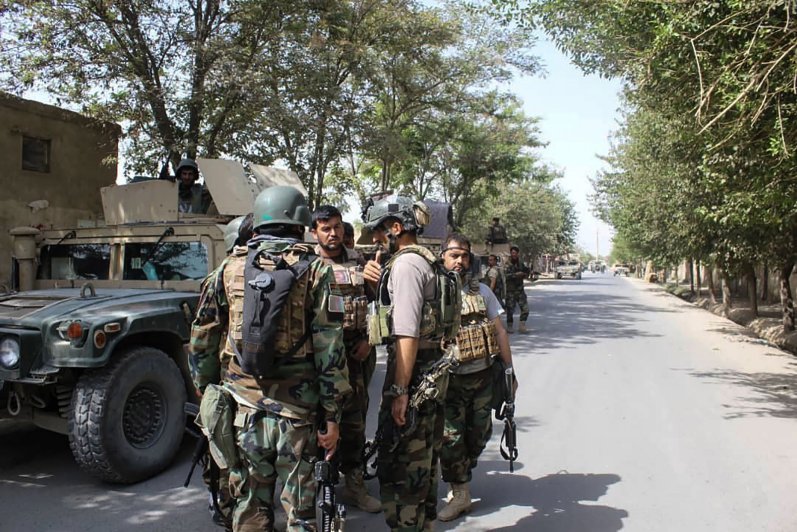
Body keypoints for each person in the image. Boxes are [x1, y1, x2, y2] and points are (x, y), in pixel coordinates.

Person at [191, 186, 351, 531]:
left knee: (248, 506)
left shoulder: (228, 269)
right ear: (300, 224)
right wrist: (333, 416)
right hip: (298, 416)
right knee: (302, 514)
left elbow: (202, 336)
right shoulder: (318, 271)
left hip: (242, 411)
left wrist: (205, 390)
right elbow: (330, 349)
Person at [362, 195, 460, 531]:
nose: (375, 239)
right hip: (430, 373)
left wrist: (400, 390)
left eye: (378, 231)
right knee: (423, 463)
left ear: (396, 227)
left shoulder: (405, 266)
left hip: (413, 376)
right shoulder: (427, 261)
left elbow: (406, 334)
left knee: (400, 466)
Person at [436, 234, 515, 522]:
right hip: (450, 381)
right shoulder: (434, 291)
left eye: (465, 256)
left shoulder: (482, 291)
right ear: (443, 256)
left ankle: (460, 477)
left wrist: (509, 372)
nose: (459, 261)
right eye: (454, 255)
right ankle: (460, 491)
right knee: (452, 437)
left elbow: (500, 332)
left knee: (479, 434)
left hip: (482, 377)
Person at [310, 205, 381, 513]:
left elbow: (380, 305)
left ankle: (354, 484)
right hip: (316, 362)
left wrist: (369, 339)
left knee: (353, 425)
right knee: (316, 427)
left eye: (337, 227)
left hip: (353, 356)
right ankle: (313, 488)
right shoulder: (305, 264)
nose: (333, 233)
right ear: (315, 232)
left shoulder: (360, 262)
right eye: (325, 228)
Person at [189, 213, 255, 528]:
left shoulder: (220, 276)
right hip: (258, 389)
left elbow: (202, 338)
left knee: (224, 449)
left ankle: (228, 510)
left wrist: (203, 385)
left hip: (228, 383)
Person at [504, 245, 530, 333]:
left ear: (518, 254)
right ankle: (509, 326)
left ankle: (522, 325)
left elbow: (526, 272)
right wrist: (516, 275)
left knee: (525, 309)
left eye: (515, 253)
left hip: (520, 290)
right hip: (510, 291)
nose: (513, 254)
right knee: (510, 310)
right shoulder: (507, 264)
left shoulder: (521, 263)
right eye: (512, 253)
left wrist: (527, 274)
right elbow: (505, 276)